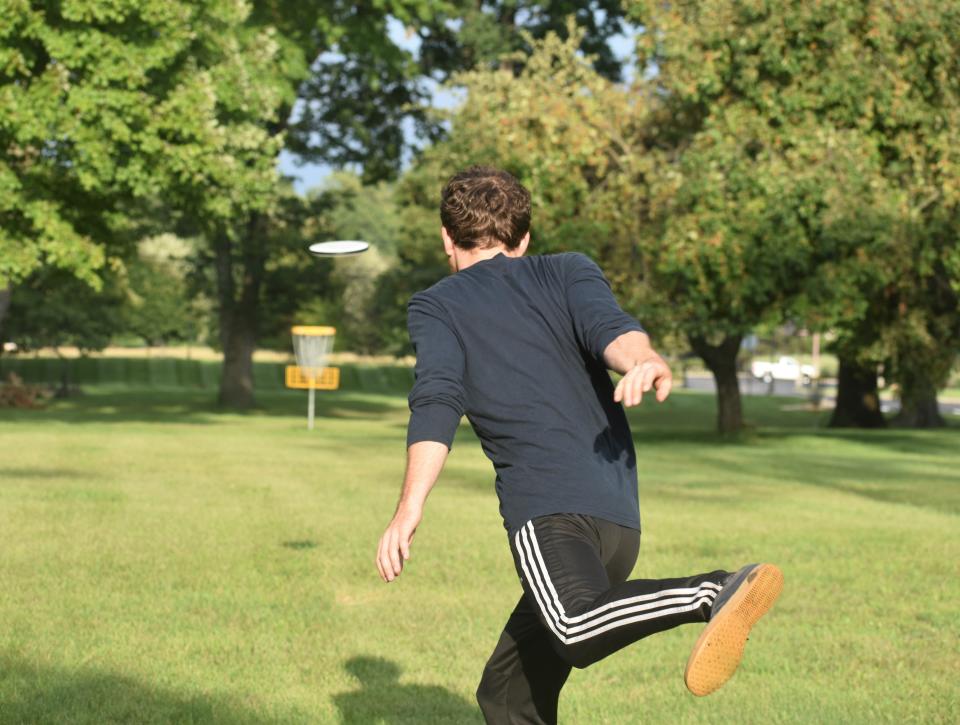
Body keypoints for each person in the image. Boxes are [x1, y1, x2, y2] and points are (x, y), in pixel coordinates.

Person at [375, 166, 782, 724]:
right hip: (619, 522)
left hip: (549, 511)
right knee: (509, 692)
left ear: (447, 237)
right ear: (523, 240)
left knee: (573, 626)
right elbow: (613, 331)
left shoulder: (437, 305)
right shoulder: (569, 269)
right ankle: (712, 592)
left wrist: (408, 508)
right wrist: (645, 360)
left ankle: (715, 590)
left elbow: (438, 399)